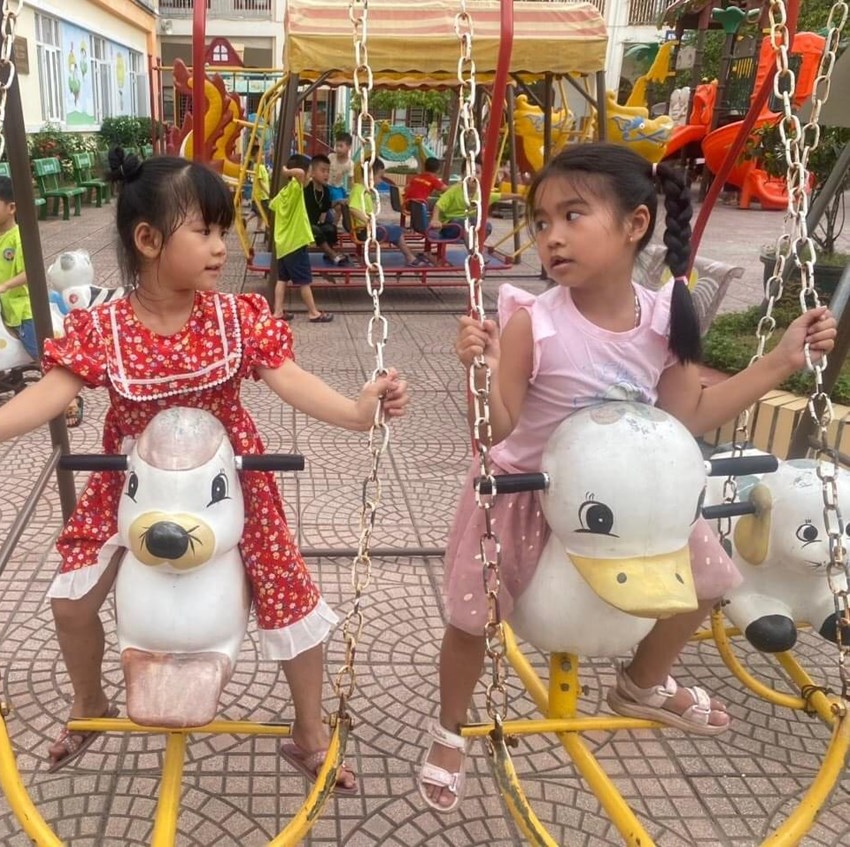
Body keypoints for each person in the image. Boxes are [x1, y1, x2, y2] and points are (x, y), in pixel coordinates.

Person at [0, 149, 409, 792]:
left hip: (227, 477)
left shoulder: (235, 317)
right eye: (204, 232)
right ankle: (89, 700)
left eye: (221, 231)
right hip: (131, 478)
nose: (219, 248)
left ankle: (309, 732)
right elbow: (51, 394)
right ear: (149, 240)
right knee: (71, 600)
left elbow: (291, 379)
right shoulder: (105, 327)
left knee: (287, 591)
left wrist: (356, 412)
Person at [418, 142, 837, 813]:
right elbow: (495, 431)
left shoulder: (666, 317)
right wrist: (481, 371)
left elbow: (687, 414)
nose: (551, 236)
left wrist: (781, 361)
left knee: (711, 579)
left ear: (636, 224)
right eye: (542, 221)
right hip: (525, 490)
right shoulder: (533, 323)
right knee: (474, 616)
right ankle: (449, 730)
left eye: (572, 215)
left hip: (629, 494)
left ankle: (642, 681)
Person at [0, 174, 83, 427]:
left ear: (11, 207)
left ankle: (70, 399)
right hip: (2, 307)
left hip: (24, 308)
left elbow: (30, 272)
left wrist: (3, 286)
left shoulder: (19, 238)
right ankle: (9, 376)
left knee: (40, 356)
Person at [269, 153, 334, 323]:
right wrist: (286, 171)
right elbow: (299, 173)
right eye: (309, 173)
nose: (310, 177)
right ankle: (313, 312)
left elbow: (272, 205)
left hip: (283, 245)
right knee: (305, 281)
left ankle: (278, 311)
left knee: (282, 279)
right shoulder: (296, 188)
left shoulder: (284, 193)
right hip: (295, 244)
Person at [347, 161, 431, 267]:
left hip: (366, 229)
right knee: (397, 231)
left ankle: (410, 256)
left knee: (395, 230)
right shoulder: (359, 190)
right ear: (369, 175)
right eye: (380, 176)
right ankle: (410, 257)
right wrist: (369, 222)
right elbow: (353, 209)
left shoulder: (362, 190)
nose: (381, 180)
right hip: (365, 231)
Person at [304, 154, 351, 267]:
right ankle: (333, 255)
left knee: (330, 228)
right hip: (301, 225)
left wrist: (339, 201)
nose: (326, 174)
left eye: (328, 171)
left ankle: (328, 252)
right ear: (312, 172)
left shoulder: (325, 190)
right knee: (315, 230)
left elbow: (327, 206)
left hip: (313, 224)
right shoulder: (306, 188)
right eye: (323, 171)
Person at [328, 132, 354, 226]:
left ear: (349, 147)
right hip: (326, 185)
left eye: (341, 146)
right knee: (324, 205)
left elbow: (351, 179)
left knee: (339, 208)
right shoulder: (331, 157)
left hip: (337, 187)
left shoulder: (349, 164)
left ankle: (334, 225)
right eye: (337, 145)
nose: (338, 149)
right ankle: (321, 223)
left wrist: (352, 191)